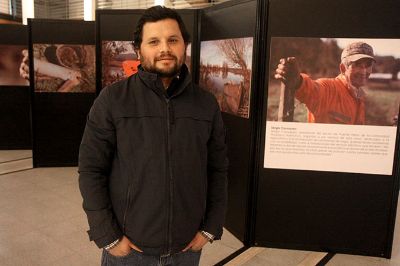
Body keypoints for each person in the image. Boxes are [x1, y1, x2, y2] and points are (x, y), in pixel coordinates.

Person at [78, 5, 228, 266]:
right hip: (130, 251)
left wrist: (210, 227)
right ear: (139, 49)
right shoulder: (113, 100)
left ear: (185, 45)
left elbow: (218, 169)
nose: (164, 49)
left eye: (173, 40)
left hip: (187, 250)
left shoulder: (206, 104)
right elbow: (91, 169)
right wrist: (108, 235)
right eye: (154, 41)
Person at [275, 41, 376, 124]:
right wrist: (298, 81)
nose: (364, 71)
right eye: (357, 65)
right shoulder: (328, 88)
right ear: (343, 68)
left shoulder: (360, 96)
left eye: (368, 65)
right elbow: (311, 90)